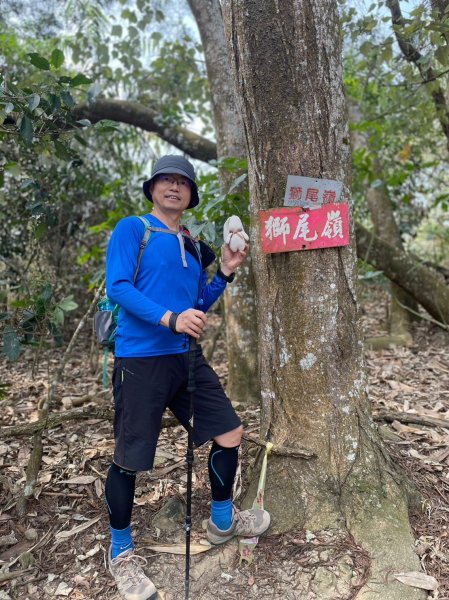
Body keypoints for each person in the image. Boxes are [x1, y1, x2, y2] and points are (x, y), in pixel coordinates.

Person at [104, 155, 270, 600]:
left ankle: (221, 521)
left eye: (183, 182)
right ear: (153, 188)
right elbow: (117, 286)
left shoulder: (194, 244)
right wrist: (169, 318)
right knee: (130, 456)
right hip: (140, 358)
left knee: (230, 431)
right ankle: (121, 553)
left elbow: (198, 301)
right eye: (166, 180)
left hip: (185, 357)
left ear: (191, 194)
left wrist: (227, 272)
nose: (174, 187)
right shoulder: (133, 229)